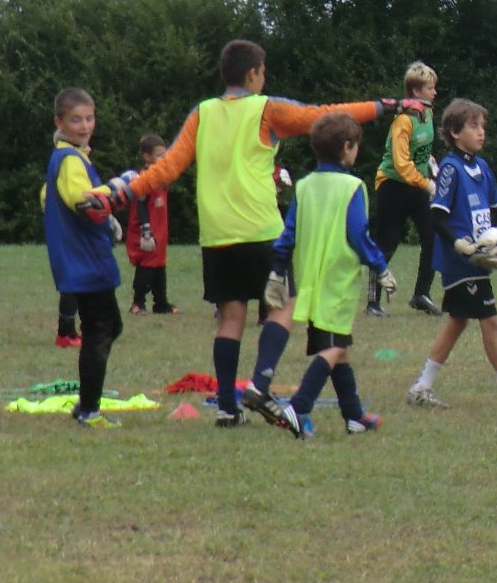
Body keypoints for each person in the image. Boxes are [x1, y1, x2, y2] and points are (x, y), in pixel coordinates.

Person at [121, 39, 421, 427]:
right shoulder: (266, 109)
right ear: (252, 74)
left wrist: (123, 192)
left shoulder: (203, 114)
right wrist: (385, 106)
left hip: (217, 234)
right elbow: (324, 116)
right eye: (263, 72)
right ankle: (261, 382)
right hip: (261, 228)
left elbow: (166, 169)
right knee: (284, 306)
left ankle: (228, 408)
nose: (264, 79)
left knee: (229, 318)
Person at [405, 98, 497, 413]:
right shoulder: (451, 170)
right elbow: (437, 216)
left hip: (477, 262)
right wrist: (460, 245)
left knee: (457, 322)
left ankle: (421, 387)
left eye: (482, 126)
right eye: (473, 126)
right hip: (462, 263)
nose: (481, 132)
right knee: (490, 321)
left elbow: (496, 210)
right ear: (455, 132)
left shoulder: (481, 167)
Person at [268, 113, 390, 437]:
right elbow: (357, 236)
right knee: (334, 348)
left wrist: (277, 271)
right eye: (356, 147)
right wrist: (380, 266)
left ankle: (353, 415)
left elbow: (288, 232)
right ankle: (298, 406)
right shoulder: (353, 187)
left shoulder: (305, 185)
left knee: (339, 348)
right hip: (338, 281)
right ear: (347, 147)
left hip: (310, 279)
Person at [42, 89, 126, 427]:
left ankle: (85, 404)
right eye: (76, 119)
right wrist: (118, 187)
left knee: (104, 326)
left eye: (89, 118)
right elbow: (81, 198)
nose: (84, 125)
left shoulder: (66, 157)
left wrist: (107, 219)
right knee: (102, 327)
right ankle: (89, 410)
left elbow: (47, 198)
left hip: (81, 257)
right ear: (59, 122)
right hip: (85, 260)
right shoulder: (70, 160)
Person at [366, 61, 439, 317]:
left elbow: (421, 151)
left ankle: (421, 294)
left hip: (415, 182)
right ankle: (372, 303)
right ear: (416, 92)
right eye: (430, 87)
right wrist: (427, 184)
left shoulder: (428, 114)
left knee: (432, 234)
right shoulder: (403, 120)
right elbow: (401, 163)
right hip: (393, 184)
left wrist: (431, 164)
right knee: (388, 241)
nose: (435, 92)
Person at [126, 132, 177, 315]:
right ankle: (137, 303)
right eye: (159, 156)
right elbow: (140, 204)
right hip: (147, 232)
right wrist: (146, 229)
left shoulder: (161, 177)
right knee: (146, 267)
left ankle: (161, 303)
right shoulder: (145, 178)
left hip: (160, 230)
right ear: (147, 157)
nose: (163, 159)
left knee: (160, 266)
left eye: (165, 155)